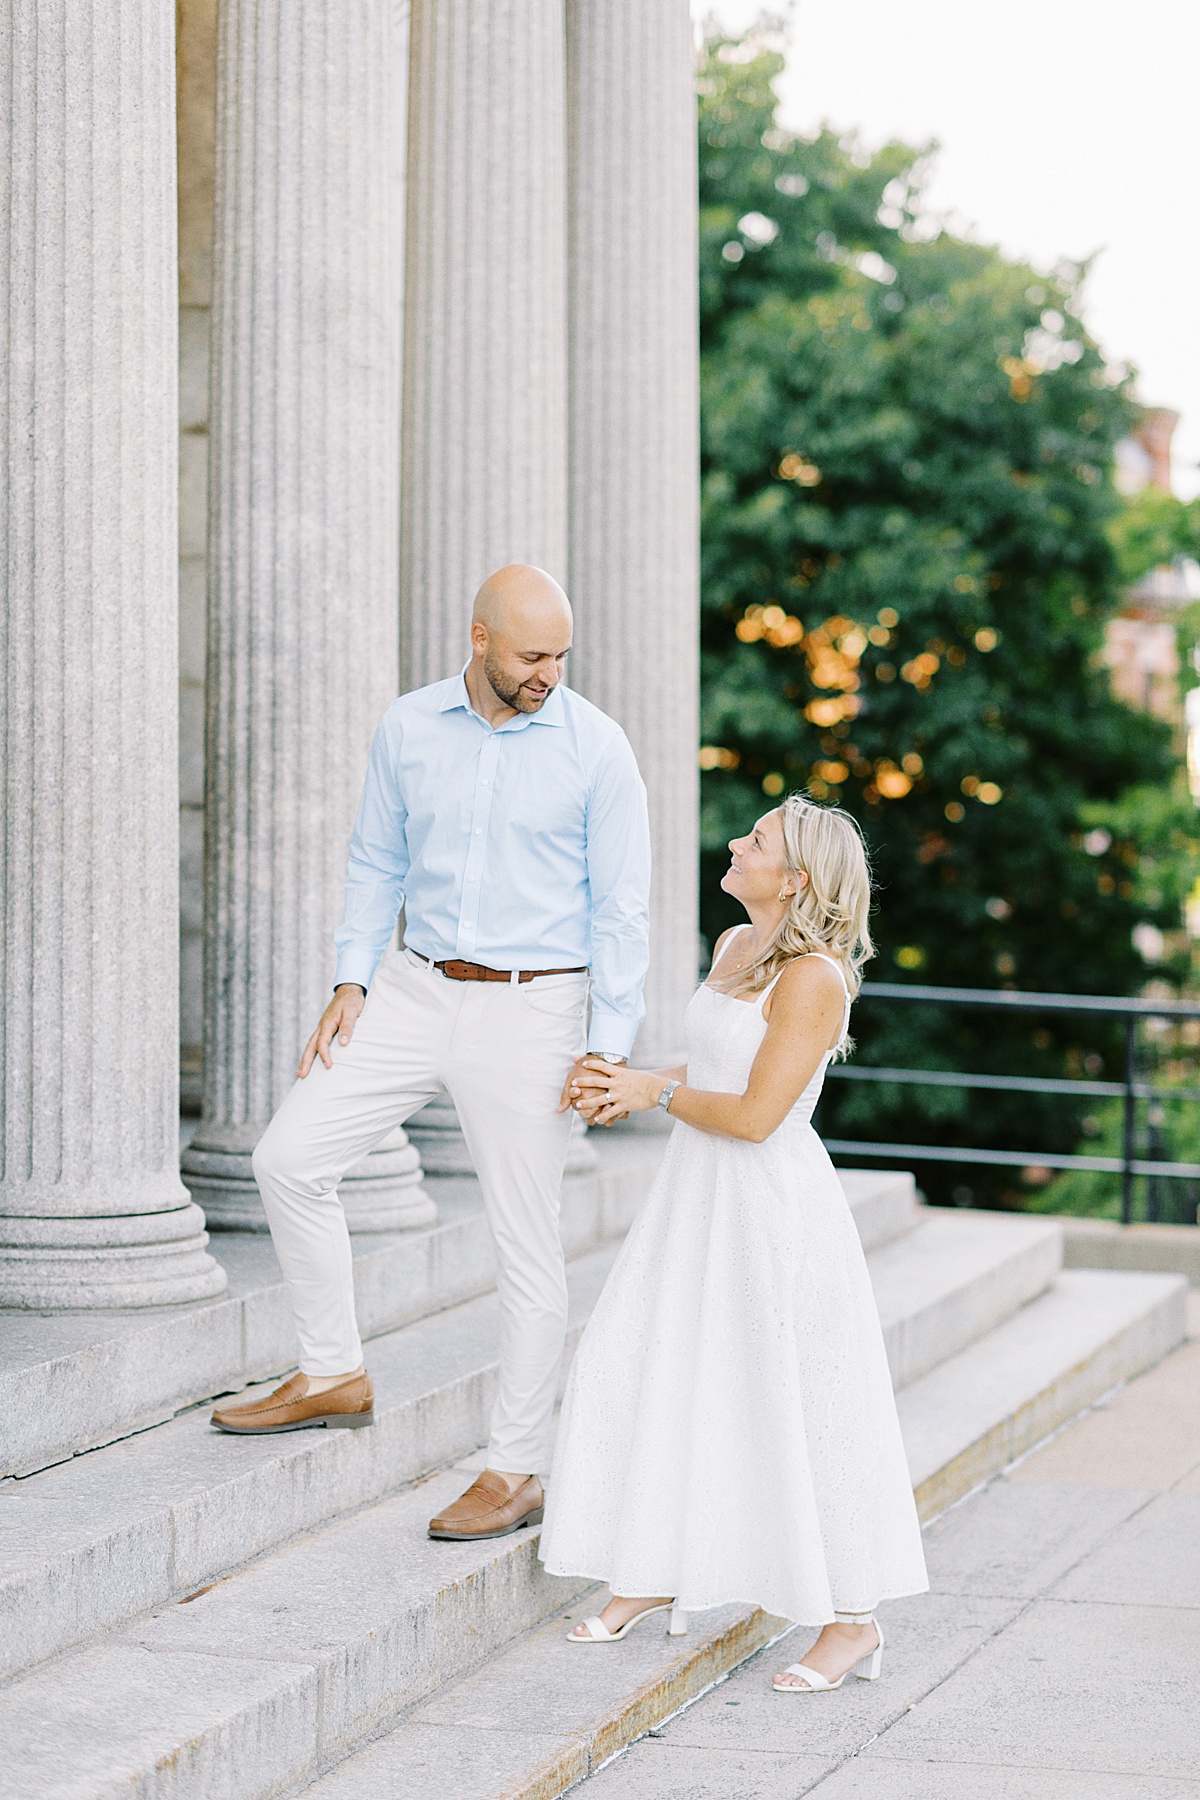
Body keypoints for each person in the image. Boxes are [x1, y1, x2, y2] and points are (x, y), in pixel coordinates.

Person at [211, 565, 651, 1547]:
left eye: (561, 656)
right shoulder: (407, 727)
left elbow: (624, 910)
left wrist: (607, 1047)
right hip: (412, 986)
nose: (550, 673)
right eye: (533, 655)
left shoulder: (598, 749)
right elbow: (375, 859)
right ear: (480, 638)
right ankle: (333, 1372)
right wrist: (350, 978)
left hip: (537, 1006)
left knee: (525, 1248)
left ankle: (517, 1467)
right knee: (288, 1159)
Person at [539, 794, 928, 1690]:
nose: (734, 842)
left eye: (754, 842)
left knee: (794, 1397)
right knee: (650, 1362)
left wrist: (651, 1096)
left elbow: (756, 1115)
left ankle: (851, 1621)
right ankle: (650, 1566)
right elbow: (715, 1070)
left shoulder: (814, 979)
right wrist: (628, 1081)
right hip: (696, 1195)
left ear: (793, 880)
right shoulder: (734, 947)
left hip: (768, 1208)